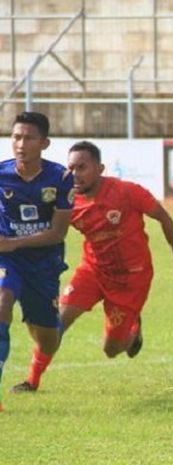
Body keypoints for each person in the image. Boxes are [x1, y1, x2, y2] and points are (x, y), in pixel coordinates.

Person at [10, 140, 173, 393]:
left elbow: (163, 217)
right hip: (93, 271)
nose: (75, 174)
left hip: (131, 279)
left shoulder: (127, 192)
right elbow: (44, 230)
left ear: (100, 168)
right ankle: (32, 380)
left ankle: (133, 330)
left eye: (82, 167)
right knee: (57, 323)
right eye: (71, 168)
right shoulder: (68, 202)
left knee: (111, 350)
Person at [0, 112, 73, 409]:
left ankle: (43, 333)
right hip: (9, 260)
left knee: (47, 338)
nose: (21, 144)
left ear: (44, 143)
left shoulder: (61, 179)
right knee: (2, 300)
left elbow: (57, 233)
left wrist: (14, 242)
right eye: (16, 137)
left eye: (29, 138)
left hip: (44, 265)